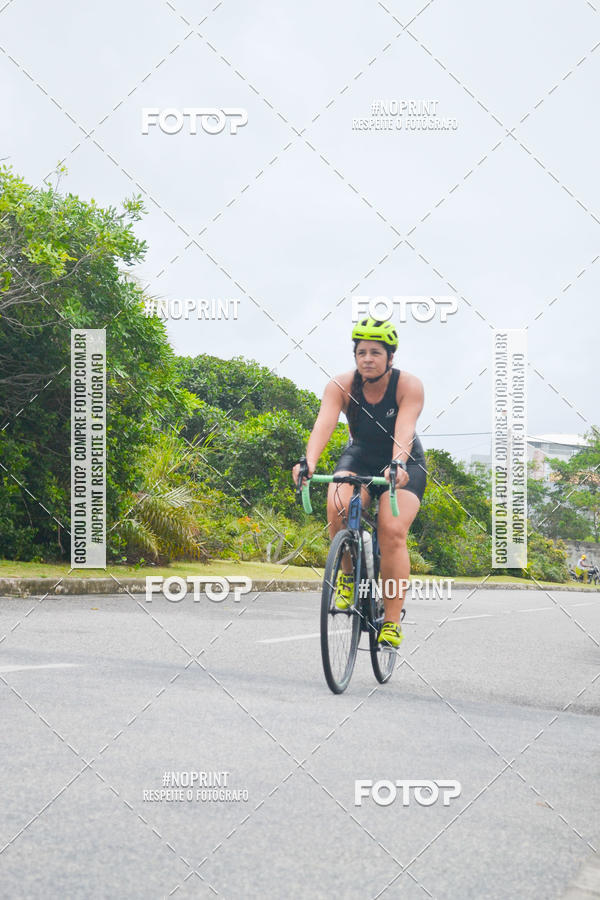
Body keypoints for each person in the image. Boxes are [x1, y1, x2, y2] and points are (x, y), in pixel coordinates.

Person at [292, 317, 427, 648]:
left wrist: (397, 465)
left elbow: (404, 429)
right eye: (361, 352)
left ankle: (392, 622)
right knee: (337, 504)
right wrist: (308, 463)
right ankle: (349, 577)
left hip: (404, 461)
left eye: (376, 352)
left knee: (392, 531)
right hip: (360, 457)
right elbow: (324, 425)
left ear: (390, 358)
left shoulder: (408, 386)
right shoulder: (340, 386)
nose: (367, 358)